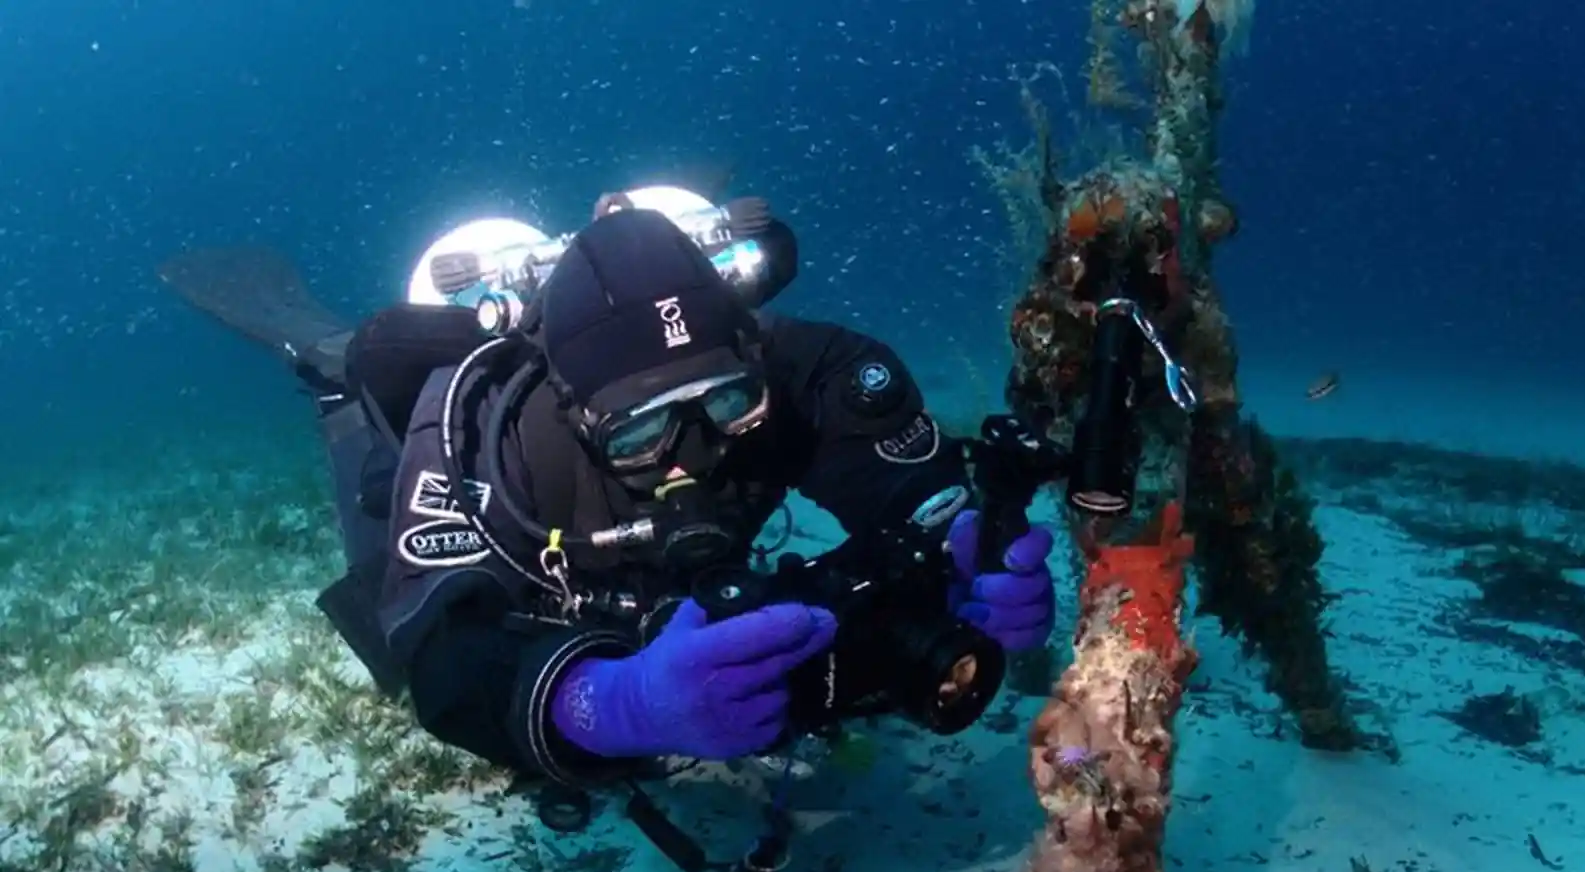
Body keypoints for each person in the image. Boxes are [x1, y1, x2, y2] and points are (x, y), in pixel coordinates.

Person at [158, 196, 1058, 793]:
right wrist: (607, 705)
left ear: (751, 358)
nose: (691, 455)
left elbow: (907, 486)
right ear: (575, 413)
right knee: (367, 479)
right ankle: (326, 364)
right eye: (638, 433)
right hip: (495, 511)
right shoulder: (476, 423)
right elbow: (439, 653)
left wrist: (964, 557)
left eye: (724, 405)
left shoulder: (796, 370)